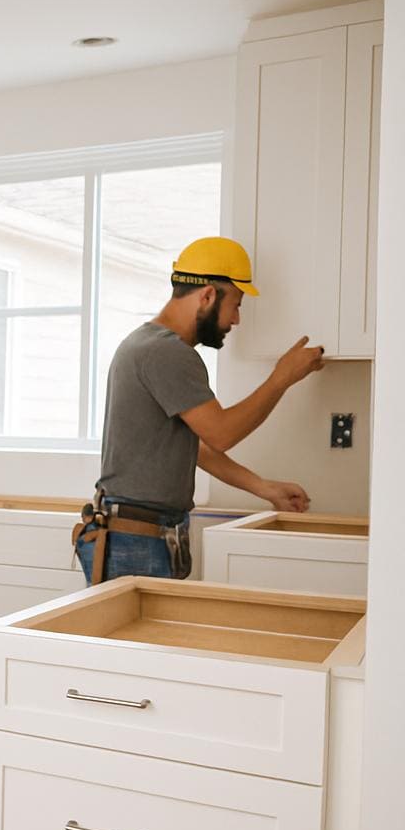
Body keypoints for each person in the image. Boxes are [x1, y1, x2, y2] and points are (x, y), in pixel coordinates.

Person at [76, 236, 326, 585]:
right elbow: (221, 434)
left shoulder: (147, 345)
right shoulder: (167, 352)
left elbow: (199, 448)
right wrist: (281, 378)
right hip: (138, 540)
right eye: (236, 304)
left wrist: (263, 488)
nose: (236, 319)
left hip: (142, 534)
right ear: (208, 295)